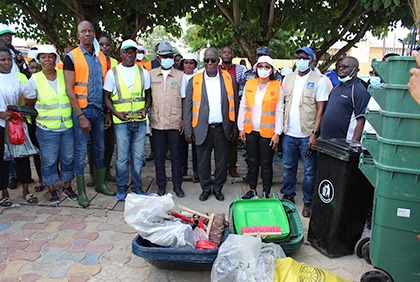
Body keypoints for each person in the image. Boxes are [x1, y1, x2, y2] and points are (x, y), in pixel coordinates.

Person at [63, 20, 115, 208]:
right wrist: (81, 116)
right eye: (83, 31)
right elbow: (70, 90)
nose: (87, 34)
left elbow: (104, 87)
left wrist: (107, 112)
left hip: (99, 110)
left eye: (90, 31)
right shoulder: (72, 57)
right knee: (81, 151)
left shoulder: (101, 57)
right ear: (78, 35)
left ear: (94, 33)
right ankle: (82, 192)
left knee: (100, 148)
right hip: (82, 111)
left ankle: (100, 184)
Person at [24, 45, 78, 204]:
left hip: (66, 126)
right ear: (39, 60)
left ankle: (67, 187)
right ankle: (52, 189)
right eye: (43, 57)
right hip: (47, 129)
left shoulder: (64, 75)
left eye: (50, 56)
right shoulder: (35, 79)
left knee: (68, 158)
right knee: (49, 160)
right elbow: (29, 101)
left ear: (55, 59)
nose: (47, 60)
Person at [184, 47, 238, 202]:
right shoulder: (195, 80)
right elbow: (188, 106)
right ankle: (206, 188)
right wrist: (188, 130)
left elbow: (235, 103)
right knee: (202, 162)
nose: (209, 63)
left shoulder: (228, 79)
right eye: (206, 60)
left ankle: (218, 188)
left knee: (222, 162)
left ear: (218, 61)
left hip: (222, 128)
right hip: (202, 128)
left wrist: (234, 127)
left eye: (213, 60)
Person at [281, 46, 329, 218]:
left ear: (312, 61)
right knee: (288, 167)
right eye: (299, 57)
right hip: (289, 133)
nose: (301, 60)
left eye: (305, 58)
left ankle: (308, 201)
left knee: (309, 170)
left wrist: (315, 133)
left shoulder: (319, 80)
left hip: (307, 134)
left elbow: (320, 110)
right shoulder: (288, 79)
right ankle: (288, 196)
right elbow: (282, 105)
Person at [103, 39, 151, 201]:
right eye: (127, 52)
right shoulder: (113, 73)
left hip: (139, 121)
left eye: (133, 52)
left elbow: (148, 95)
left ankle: (137, 187)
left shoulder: (143, 72)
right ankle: (122, 187)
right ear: (121, 54)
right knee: (122, 157)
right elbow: (106, 97)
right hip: (121, 122)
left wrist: (145, 109)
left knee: (138, 157)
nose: (130, 55)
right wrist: (115, 113)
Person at [238, 56, 284, 199]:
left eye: (267, 67)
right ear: (256, 68)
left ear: (271, 70)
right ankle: (252, 190)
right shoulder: (250, 84)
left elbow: (279, 110)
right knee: (252, 161)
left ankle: (266, 192)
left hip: (268, 132)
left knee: (265, 163)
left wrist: (277, 132)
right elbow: (243, 106)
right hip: (250, 130)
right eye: (260, 66)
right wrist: (241, 128)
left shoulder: (277, 86)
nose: (263, 69)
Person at [0, 46, 35, 206]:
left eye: (9, 59)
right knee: (3, 159)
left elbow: (27, 96)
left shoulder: (19, 77)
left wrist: (20, 111)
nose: (6, 63)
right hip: (1, 125)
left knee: (22, 157)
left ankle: (26, 191)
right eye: (2, 60)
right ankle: (4, 193)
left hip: (18, 123)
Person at [149, 42, 185, 197]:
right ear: (158, 57)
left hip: (174, 121)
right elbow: (148, 96)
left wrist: (183, 119)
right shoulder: (150, 75)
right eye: (164, 56)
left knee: (176, 156)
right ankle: (161, 184)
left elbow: (184, 99)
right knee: (159, 155)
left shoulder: (180, 75)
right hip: (157, 121)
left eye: (169, 56)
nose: (167, 59)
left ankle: (177, 185)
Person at [84, 35, 118, 185]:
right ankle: (93, 174)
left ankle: (106, 171)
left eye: (108, 45)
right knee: (93, 143)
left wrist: (109, 111)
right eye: (102, 44)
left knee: (109, 142)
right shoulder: (92, 59)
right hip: (94, 104)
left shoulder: (116, 63)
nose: (105, 47)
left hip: (110, 106)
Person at [321, 57, 371, 141]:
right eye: (339, 66)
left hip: (343, 144)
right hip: (327, 141)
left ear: (355, 70)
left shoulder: (359, 90)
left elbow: (360, 121)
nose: (341, 69)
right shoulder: (337, 86)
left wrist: (353, 146)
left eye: (345, 66)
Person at [218, 46, 246, 178]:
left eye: (229, 52)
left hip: (235, 107)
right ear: (221, 55)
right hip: (219, 108)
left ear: (233, 55)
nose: (227, 55)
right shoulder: (215, 69)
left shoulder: (240, 70)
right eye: (224, 53)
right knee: (219, 140)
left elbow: (244, 87)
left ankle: (232, 167)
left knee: (233, 139)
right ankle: (220, 167)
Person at [179, 54, 199, 182]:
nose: (188, 65)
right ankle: (183, 169)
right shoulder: (179, 77)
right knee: (182, 144)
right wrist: (182, 118)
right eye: (186, 63)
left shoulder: (199, 78)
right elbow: (182, 99)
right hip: (182, 114)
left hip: (196, 115)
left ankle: (197, 171)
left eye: (191, 63)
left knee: (197, 145)